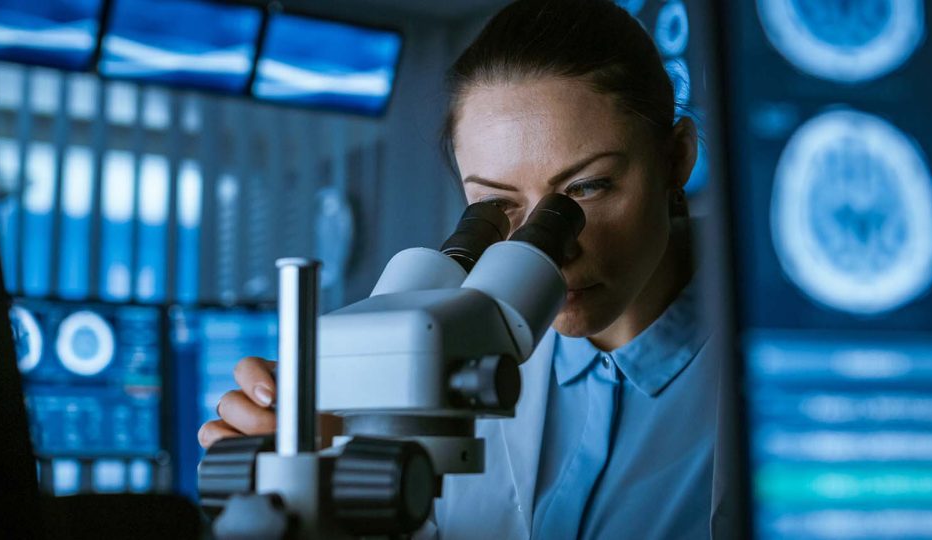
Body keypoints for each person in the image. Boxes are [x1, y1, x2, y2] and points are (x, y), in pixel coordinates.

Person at [199, 0, 731, 537]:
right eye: (495, 208)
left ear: (676, 159)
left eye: (586, 188)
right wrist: (297, 460)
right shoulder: (447, 345)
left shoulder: (778, 360)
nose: (549, 250)